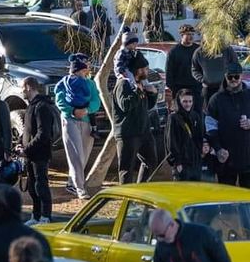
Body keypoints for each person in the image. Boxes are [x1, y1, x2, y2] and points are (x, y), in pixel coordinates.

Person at [54, 55, 101, 200]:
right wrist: (72, 111)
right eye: (86, 65)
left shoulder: (90, 83)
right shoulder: (64, 83)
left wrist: (86, 110)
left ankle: (71, 182)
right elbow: (60, 100)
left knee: (84, 153)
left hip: (87, 120)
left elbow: (96, 101)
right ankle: (80, 188)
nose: (88, 68)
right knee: (76, 154)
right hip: (70, 121)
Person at [112, 52, 157, 184]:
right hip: (128, 134)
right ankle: (126, 198)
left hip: (144, 131)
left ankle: (140, 190)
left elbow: (147, 106)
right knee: (127, 169)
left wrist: (152, 94)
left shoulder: (141, 83)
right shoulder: (123, 84)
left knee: (151, 162)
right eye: (145, 69)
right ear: (138, 70)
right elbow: (125, 105)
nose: (147, 71)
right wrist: (137, 91)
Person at [208, 61, 250, 186]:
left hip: (247, 158)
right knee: (226, 200)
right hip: (226, 159)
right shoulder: (216, 99)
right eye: (230, 76)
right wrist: (218, 148)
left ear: (241, 76)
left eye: (236, 76)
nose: (233, 79)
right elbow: (210, 126)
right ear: (225, 77)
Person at [21, 77, 56, 222]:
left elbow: (43, 134)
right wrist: (20, 144)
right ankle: (35, 215)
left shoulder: (42, 107)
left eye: (22, 87)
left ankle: (45, 216)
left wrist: (27, 148)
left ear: (28, 87)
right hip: (30, 154)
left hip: (40, 154)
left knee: (41, 185)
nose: (21, 90)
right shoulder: (31, 106)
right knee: (32, 187)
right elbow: (28, 130)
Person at [167, 88, 205, 181]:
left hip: (195, 162)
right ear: (179, 102)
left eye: (190, 101)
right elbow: (171, 142)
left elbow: (200, 136)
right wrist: (177, 162)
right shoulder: (173, 118)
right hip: (182, 164)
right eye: (184, 101)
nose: (188, 104)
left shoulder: (195, 116)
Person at [193, 40, 238, 112]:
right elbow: (195, 69)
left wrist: (231, 81)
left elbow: (235, 66)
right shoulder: (199, 52)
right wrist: (202, 80)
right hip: (208, 89)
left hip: (226, 88)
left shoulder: (227, 49)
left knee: (227, 112)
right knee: (210, 113)